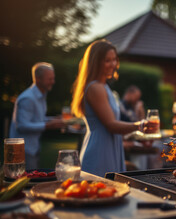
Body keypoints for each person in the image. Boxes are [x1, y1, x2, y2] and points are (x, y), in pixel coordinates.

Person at [71, 39, 150, 177]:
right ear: (96, 63)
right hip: (100, 151)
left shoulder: (104, 87)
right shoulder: (95, 88)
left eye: (114, 60)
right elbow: (111, 125)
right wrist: (140, 125)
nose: (113, 64)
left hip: (110, 146)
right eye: (108, 60)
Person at [9, 62, 65, 170]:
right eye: (50, 79)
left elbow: (37, 119)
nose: (53, 82)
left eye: (53, 78)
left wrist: (54, 119)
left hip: (33, 147)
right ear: (38, 79)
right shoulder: (28, 98)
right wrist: (48, 125)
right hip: (23, 151)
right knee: (25, 183)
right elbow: (21, 126)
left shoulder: (41, 95)